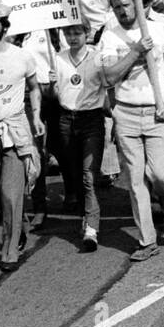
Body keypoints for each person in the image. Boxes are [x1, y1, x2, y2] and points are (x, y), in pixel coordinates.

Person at [100, 0, 164, 262]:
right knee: (136, 181)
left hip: (158, 113)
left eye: (126, 4)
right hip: (126, 113)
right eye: (117, 7)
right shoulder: (110, 36)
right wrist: (135, 52)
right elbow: (109, 77)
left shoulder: (160, 29)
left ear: (138, 3)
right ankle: (147, 240)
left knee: (160, 174)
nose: (123, 11)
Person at [0, 3, 43, 272]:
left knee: (10, 193)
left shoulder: (22, 57)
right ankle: (19, 226)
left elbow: (35, 88)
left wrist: (36, 117)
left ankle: (9, 249)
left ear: (5, 26)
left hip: (14, 132)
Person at [52, 21, 108, 251]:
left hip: (92, 119)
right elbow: (51, 93)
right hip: (66, 119)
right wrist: (51, 86)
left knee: (89, 175)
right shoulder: (57, 58)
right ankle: (85, 213)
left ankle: (91, 229)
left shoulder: (98, 57)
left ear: (87, 34)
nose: (73, 37)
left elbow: (109, 85)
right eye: (68, 33)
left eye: (77, 33)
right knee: (73, 171)